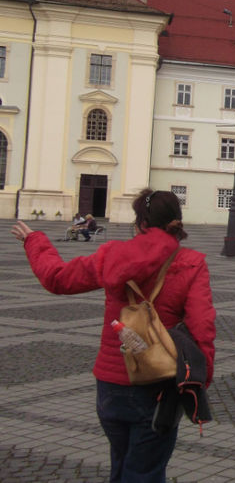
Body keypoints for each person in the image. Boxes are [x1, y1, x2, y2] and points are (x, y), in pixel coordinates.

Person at [11, 189, 216, 482]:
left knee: (121, 463)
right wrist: (199, 377)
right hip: (158, 384)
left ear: (139, 222)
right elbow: (202, 326)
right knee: (144, 471)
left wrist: (35, 241)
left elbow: (57, 278)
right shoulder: (191, 262)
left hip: (111, 384)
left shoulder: (113, 255)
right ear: (176, 222)